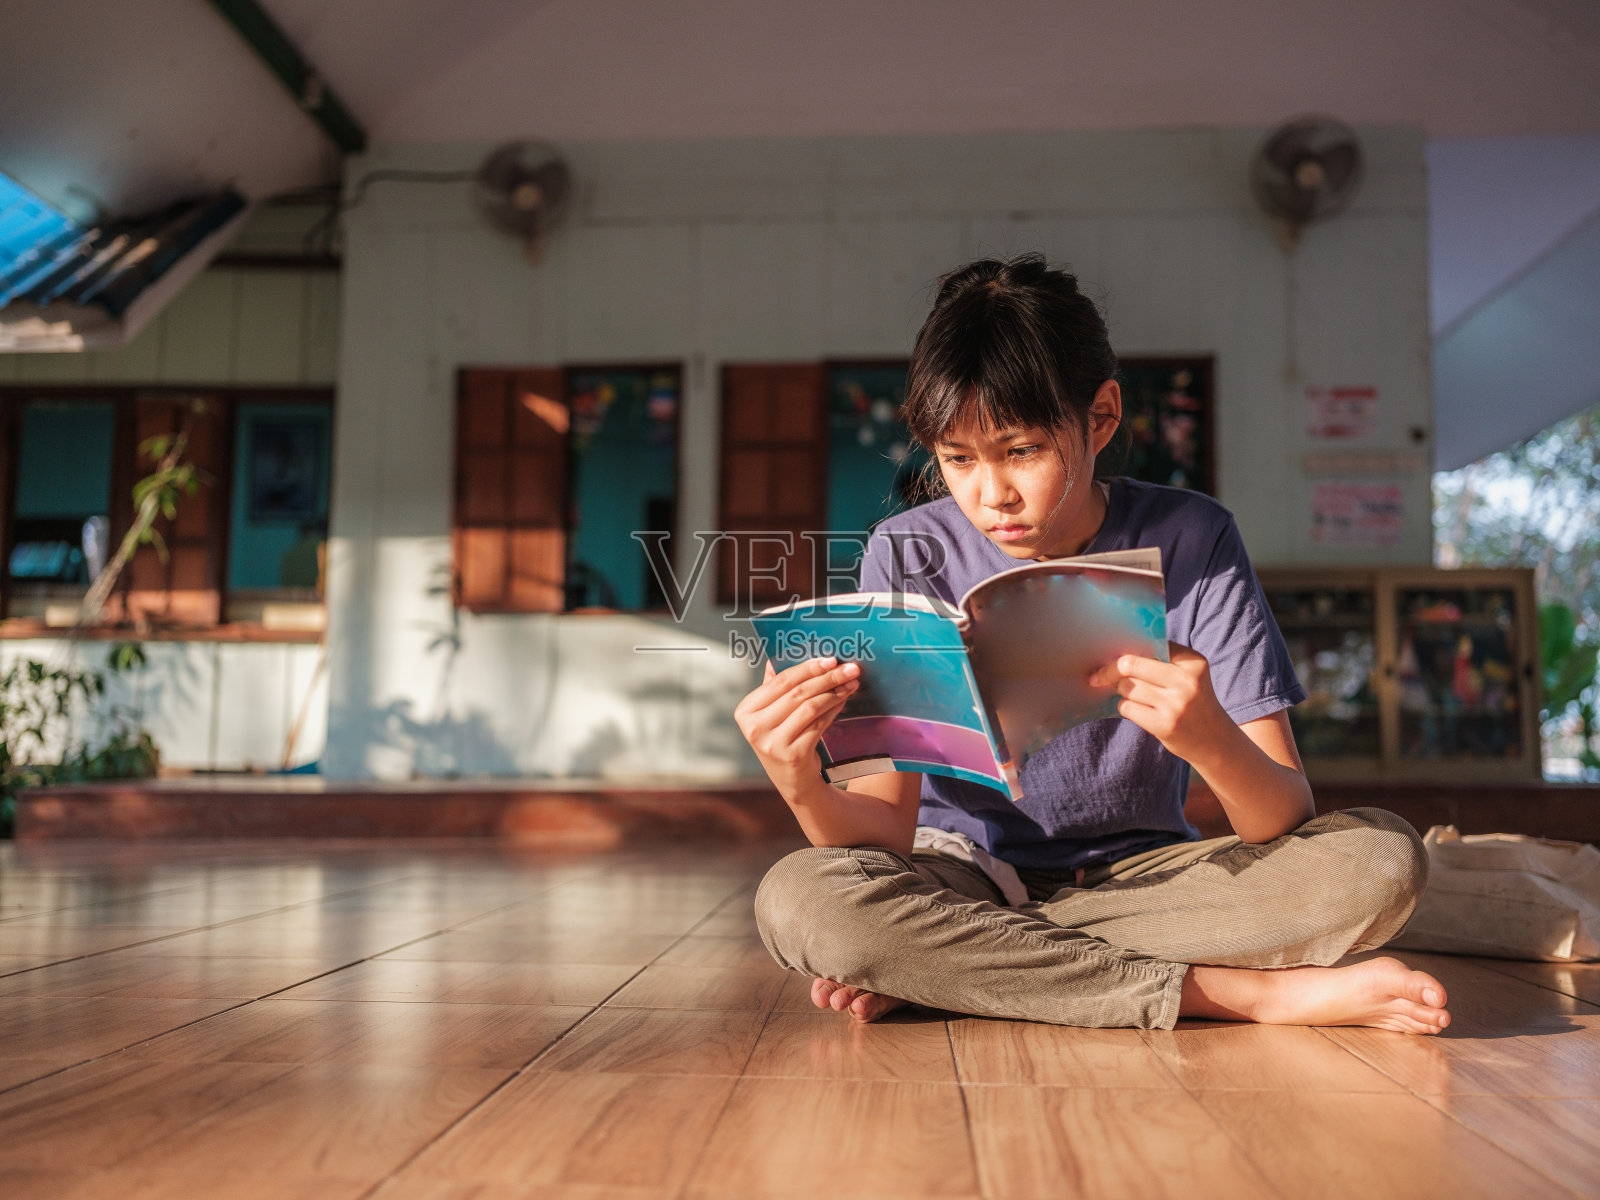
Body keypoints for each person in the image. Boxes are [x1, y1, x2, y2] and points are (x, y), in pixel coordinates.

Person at [735, 254, 1449, 1034]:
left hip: (1150, 879)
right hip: (962, 876)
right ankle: (1234, 994)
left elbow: (1281, 814)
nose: (989, 494)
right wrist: (798, 779)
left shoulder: (1193, 537)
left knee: (1378, 861)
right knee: (802, 904)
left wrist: (1208, 737)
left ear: (1101, 416)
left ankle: (965, 970)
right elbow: (886, 835)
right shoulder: (905, 553)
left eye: (1022, 451)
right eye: (957, 459)